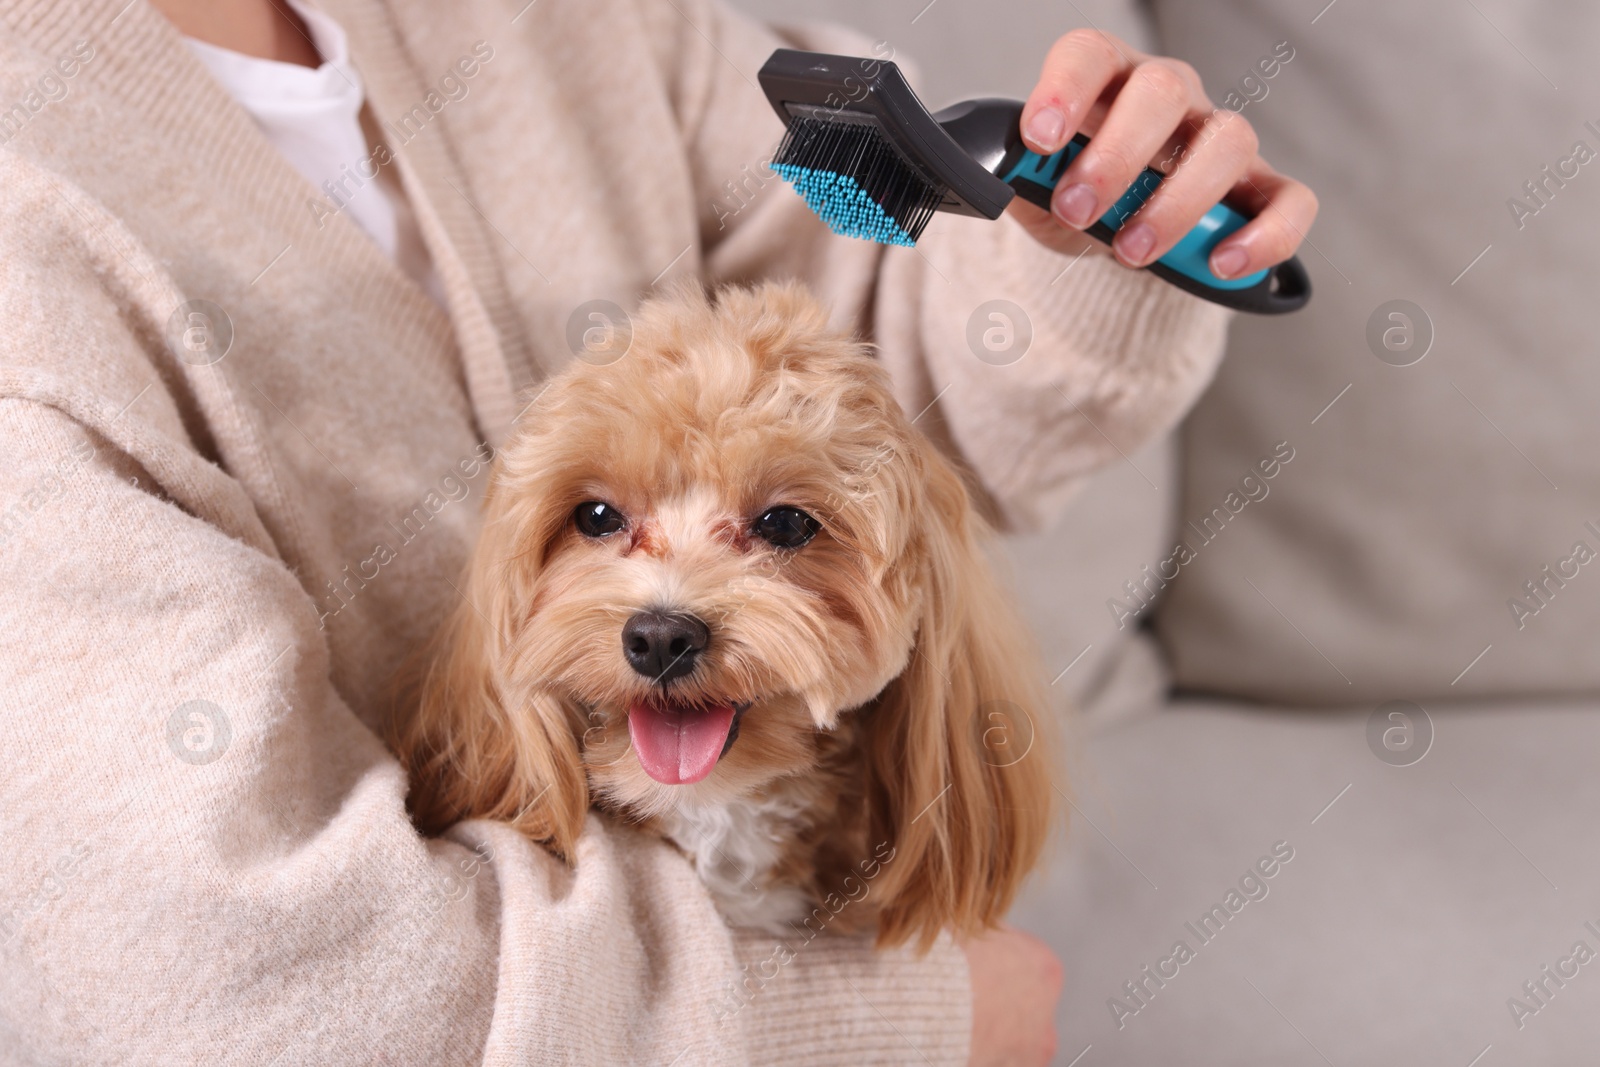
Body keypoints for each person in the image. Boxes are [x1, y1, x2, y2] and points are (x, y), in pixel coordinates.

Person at [0, 0, 1313, 1062]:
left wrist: (1088, 240)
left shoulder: (580, 23)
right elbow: (216, 988)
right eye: (597, 521)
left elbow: (886, 368)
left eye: (775, 525)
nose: (668, 599)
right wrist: (894, 1028)